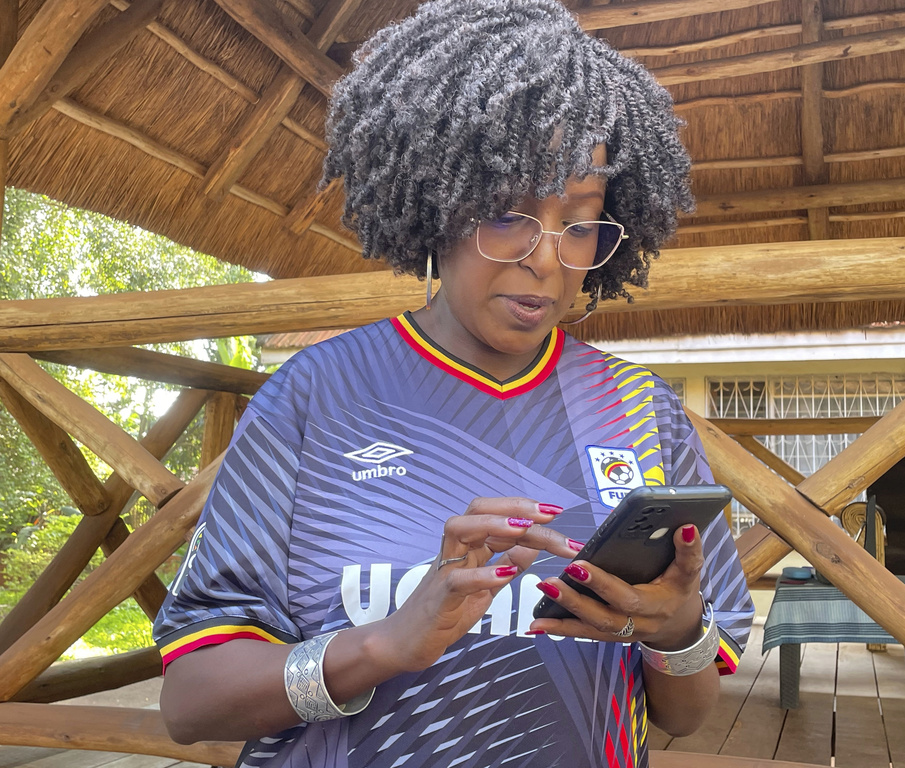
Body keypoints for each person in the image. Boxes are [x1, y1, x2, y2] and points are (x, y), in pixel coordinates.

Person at [154, 1, 755, 766]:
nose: (547, 259)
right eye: (507, 215)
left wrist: (674, 633)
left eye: (579, 224)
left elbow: (685, 717)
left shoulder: (642, 412)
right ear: (437, 203)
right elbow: (192, 703)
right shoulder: (314, 396)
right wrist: (380, 646)